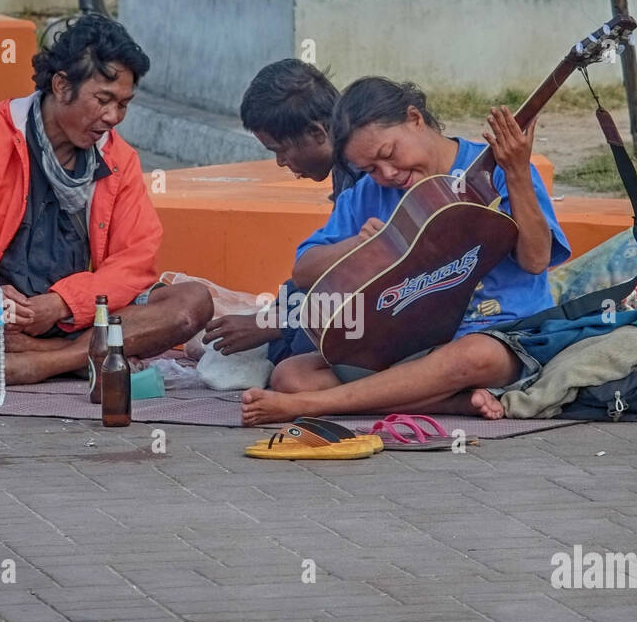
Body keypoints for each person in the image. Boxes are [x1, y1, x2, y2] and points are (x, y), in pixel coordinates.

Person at [0, 13, 213, 385]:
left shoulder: (119, 159)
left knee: (192, 303)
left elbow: (135, 261)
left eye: (124, 104)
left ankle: (39, 364)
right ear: (62, 86)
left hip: (81, 318)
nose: (114, 117)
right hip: (0, 318)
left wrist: (63, 304)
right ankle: (79, 359)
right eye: (103, 100)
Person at [240, 76, 570, 426]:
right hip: (407, 344)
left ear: (415, 119)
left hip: (500, 334)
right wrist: (359, 246)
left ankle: (313, 406)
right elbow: (303, 270)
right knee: (292, 376)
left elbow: (536, 261)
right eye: (370, 169)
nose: (388, 174)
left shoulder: (500, 170)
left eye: (388, 154)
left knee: (475, 355)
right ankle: (453, 404)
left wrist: (517, 171)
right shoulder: (368, 193)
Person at [201, 59, 361, 361]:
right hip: (340, 297)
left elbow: (371, 279)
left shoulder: (372, 172)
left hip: (384, 305)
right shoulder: (346, 169)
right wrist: (275, 314)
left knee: (296, 356)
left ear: (317, 133)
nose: (280, 163)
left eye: (281, 150)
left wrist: (275, 324)